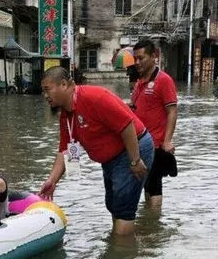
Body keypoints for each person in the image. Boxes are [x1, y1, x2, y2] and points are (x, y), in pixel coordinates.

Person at [38, 66, 154, 236]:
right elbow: (66, 151)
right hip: (110, 160)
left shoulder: (94, 97)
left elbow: (127, 126)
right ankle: (127, 243)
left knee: (123, 209)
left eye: (47, 90)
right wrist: (52, 181)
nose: (45, 96)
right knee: (112, 205)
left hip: (132, 149)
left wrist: (135, 161)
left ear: (63, 84)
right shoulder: (66, 115)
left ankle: (122, 257)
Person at [130, 39, 178, 216]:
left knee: (155, 184)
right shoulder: (139, 82)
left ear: (154, 57)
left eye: (141, 58)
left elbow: (172, 111)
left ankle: (154, 223)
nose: (137, 62)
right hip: (139, 142)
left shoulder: (163, 80)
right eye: (135, 58)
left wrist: (166, 141)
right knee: (146, 184)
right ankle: (148, 219)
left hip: (155, 143)